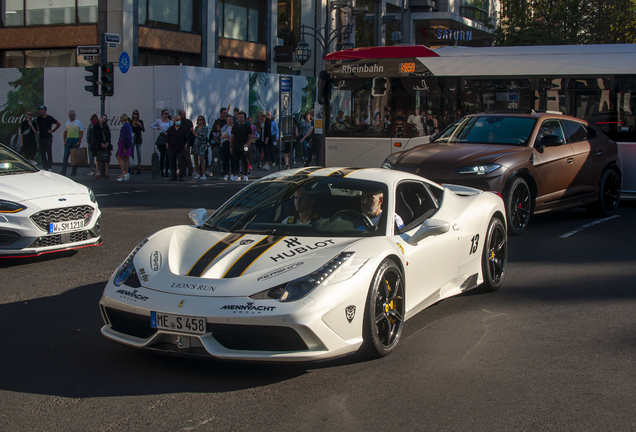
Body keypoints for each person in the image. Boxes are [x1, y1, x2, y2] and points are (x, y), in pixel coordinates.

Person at [35, 105, 61, 171]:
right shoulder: (39, 118)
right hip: (41, 137)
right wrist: (38, 131)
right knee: (42, 153)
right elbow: (37, 125)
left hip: (48, 138)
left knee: (48, 152)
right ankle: (44, 166)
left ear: (45, 110)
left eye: (42, 110)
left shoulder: (49, 118)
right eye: (40, 110)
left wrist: (53, 130)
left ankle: (49, 166)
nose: (40, 111)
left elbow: (58, 124)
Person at [166, 114, 189, 181]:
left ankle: (181, 176)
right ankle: (173, 176)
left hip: (180, 149)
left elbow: (186, 140)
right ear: (174, 121)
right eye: (176, 120)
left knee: (181, 163)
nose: (178, 121)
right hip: (171, 148)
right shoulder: (171, 129)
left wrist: (185, 147)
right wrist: (167, 147)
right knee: (172, 163)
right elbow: (167, 139)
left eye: (179, 120)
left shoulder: (183, 129)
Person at [150, 109, 173, 177]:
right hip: (162, 137)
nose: (166, 115)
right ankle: (162, 170)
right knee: (162, 155)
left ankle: (166, 170)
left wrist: (168, 133)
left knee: (168, 155)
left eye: (167, 113)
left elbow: (172, 129)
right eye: (165, 113)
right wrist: (157, 128)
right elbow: (152, 125)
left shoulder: (170, 122)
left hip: (168, 137)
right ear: (162, 114)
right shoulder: (159, 121)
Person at [230, 111, 252, 181]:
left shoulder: (247, 126)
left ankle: (245, 174)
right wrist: (231, 146)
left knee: (245, 160)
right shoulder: (235, 126)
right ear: (237, 118)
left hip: (243, 146)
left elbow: (250, 137)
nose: (241, 118)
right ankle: (236, 174)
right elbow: (232, 137)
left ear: (244, 118)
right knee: (235, 160)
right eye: (240, 117)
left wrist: (246, 144)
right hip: (236, 145)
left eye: (242, 117)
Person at [61, 109, 83, 176]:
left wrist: (79, 141)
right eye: (70, 114)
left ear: (75, 115)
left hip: (75, 140)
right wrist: (64, 140)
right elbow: (65, 132)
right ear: (68, 115)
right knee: (65, 156)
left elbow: (81, 132)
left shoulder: (78, 122)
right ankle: (63, 171)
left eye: (72, 114)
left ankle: (74, 171)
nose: (71, 115)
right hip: (68, 140)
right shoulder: (67, 123)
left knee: (74, 157)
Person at [93, 114, 112, 179]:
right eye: (102, 118)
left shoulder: (106, 126)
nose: (103, 119)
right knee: (98, 158)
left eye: (104, 118)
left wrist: (107, 143)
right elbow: (95, 136)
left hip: (106, 143)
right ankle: (97, 173)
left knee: (106, 159)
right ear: (100, 118)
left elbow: (109, 135)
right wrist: (100, 143)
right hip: (98, 144)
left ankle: (106, 173)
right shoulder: (96, 126)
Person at [192, 115, 209, 179]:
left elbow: (203, 137)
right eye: (198, 120)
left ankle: (204, 173)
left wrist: (196, 134)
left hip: (202, 144)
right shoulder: (196, 128)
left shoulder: (205, 128)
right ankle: (198, 173)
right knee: (195, 159)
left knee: (202, 159)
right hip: (196, 144)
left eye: (201, 119)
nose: (200, 121)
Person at [116, 114, 133, 181]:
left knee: (119, 157)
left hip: (123, 143)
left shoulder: (125, 126)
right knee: (126, 158)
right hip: (126, 143)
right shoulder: (128, 126)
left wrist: (125, 147)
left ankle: (123, 173)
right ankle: (126, 173)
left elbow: (126, 137)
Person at [179, 109, 195, 176]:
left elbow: (191, 132)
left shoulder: (188, 122)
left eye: (185, 114)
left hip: (186, 141)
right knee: (180, 156)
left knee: (187, 156)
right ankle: (182, 169)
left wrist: (189, 141)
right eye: (183, 114)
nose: (184, 115)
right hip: (179, 141)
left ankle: (190, 170)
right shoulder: (179, 122)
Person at [131, 110, 145, 174]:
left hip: (138, 139)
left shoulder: (140, 121)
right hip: (132, 139)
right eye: (134, 113)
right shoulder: (131, 121)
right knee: (132, 154)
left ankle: (139, 168)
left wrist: (140, 125)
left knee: (138, 154)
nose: (135, 115)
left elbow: (143, 130)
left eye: (136, 113)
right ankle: (132, 168)